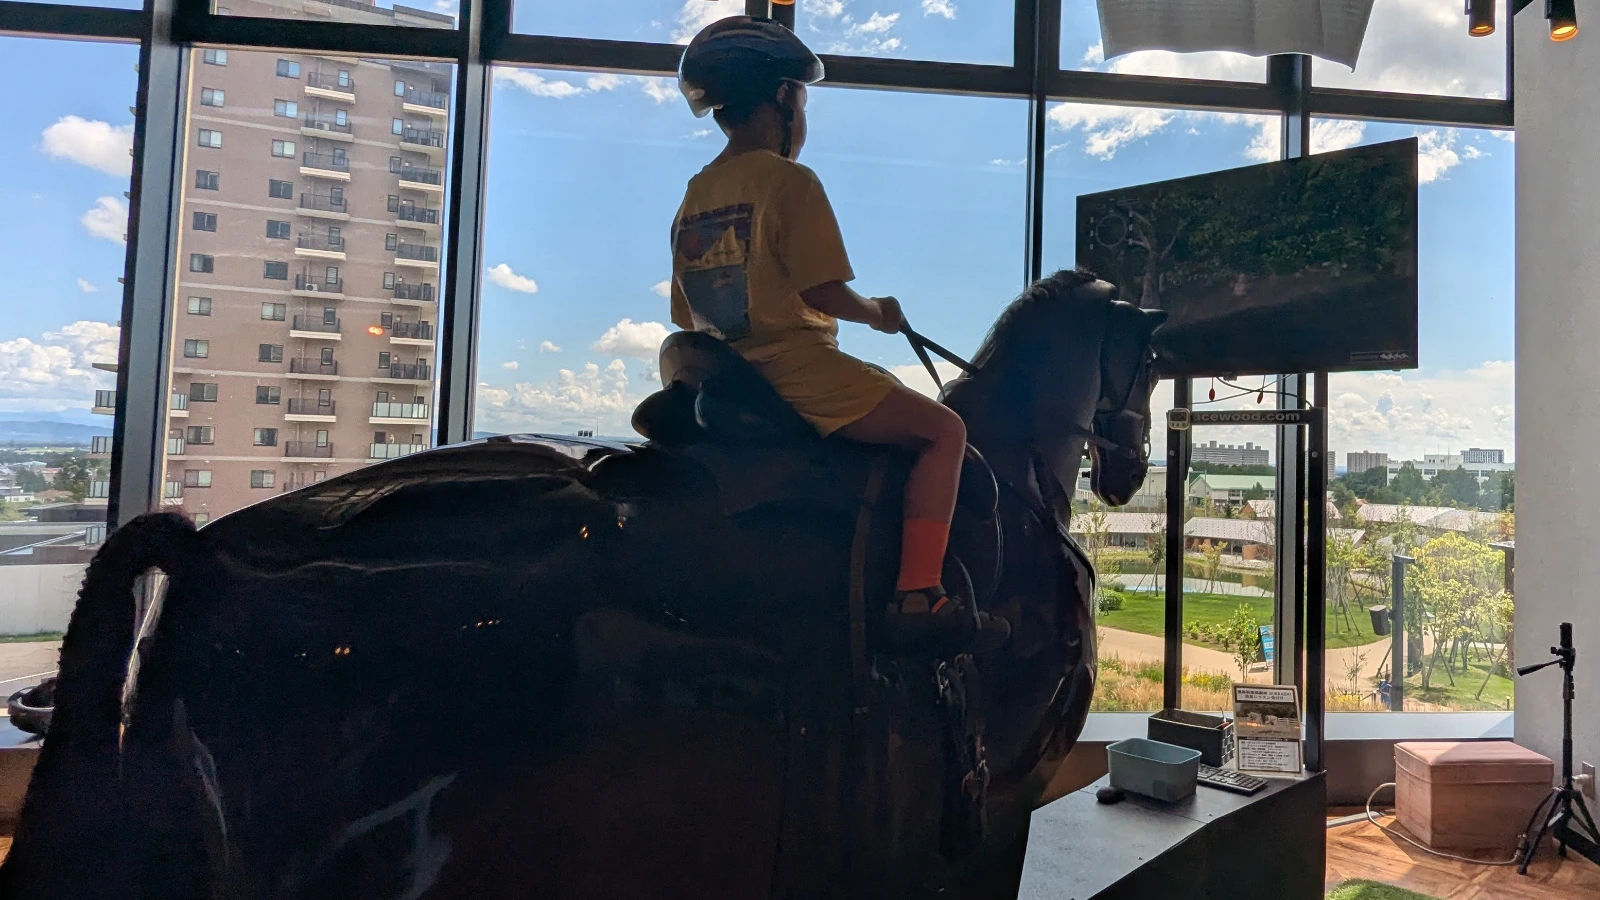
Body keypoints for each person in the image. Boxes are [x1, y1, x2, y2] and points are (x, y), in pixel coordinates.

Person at [669, 16, 1007, 649]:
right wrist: (878, 313)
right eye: (801, 96)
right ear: (780, 98)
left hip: (726, 374)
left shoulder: (696, 192)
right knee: (945, 430)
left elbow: (687, 314)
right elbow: (819, 291)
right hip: (797, 369)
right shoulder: (789, 179)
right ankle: (918, 593)